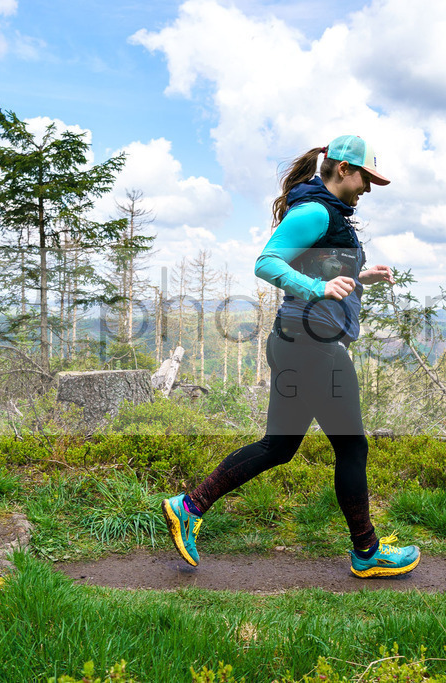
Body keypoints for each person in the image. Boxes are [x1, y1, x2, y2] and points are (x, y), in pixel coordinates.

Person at [162, 134, 420, 578]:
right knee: (352, 448)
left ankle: (189, 507)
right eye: (365, 178)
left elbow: (312, 267)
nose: (368, 189)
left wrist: (358, 276)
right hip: (314, 346)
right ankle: (367, 552)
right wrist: (319, 289)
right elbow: (267, 262)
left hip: (295, 341)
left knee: (278, 446)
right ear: (343, 170)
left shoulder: (327, 211)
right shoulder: (316, 211)